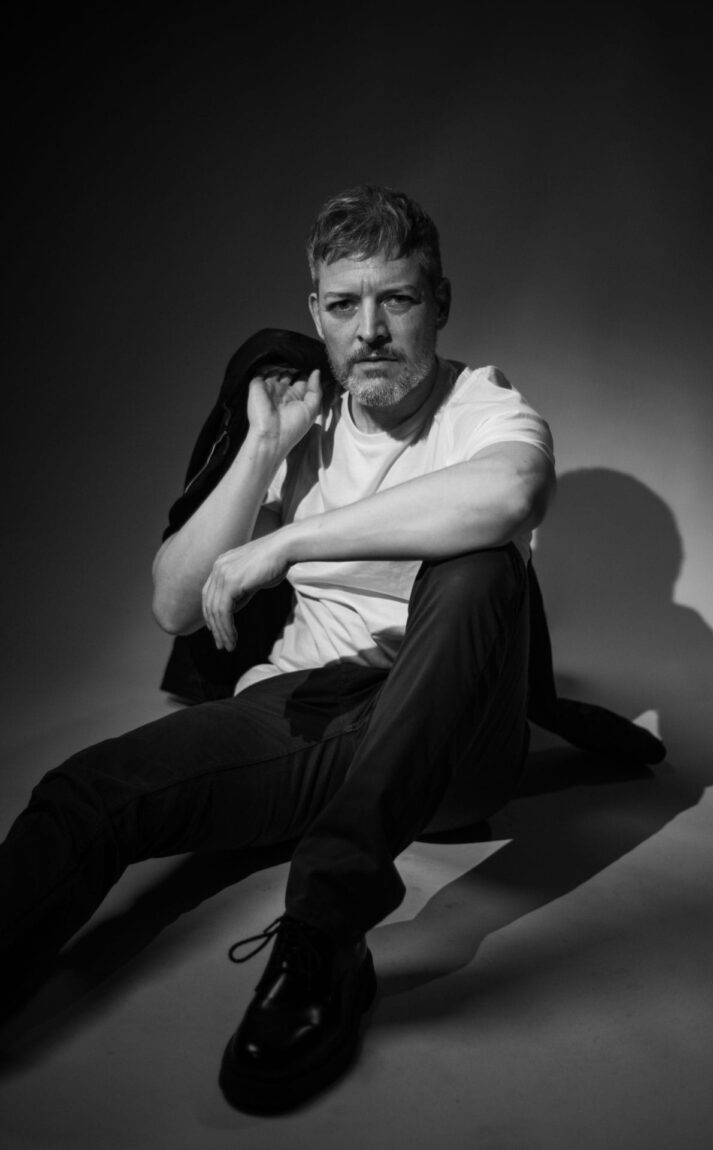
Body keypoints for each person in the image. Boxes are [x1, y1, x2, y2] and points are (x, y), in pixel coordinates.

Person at [0, 186, 555, 1112]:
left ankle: (324, 935)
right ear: (316, 313)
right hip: (305, 712)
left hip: (452, 733)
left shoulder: (480, 406)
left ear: (440, 302)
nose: (369, 330)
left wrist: (286, 542)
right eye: (344, 305)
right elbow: (175, 605)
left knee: (481, 567)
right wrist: (262, 450)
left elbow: (511, 497)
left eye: (397, 299)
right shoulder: (306, 424)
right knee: (88, 796)